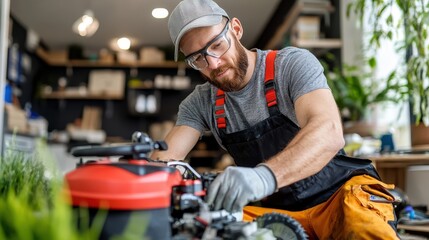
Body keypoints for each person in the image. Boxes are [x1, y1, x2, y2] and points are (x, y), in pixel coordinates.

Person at [151, 0, 400, 238]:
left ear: (236, 29)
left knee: (365, 228)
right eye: (198, 58)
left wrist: (264, 177)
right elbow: (164, 162)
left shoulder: (291, 65)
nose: (213, 63)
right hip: (280, 213)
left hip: (340, 197)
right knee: (206, 225)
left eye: (216, 45)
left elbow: (329, 131)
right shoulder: (200, 103)